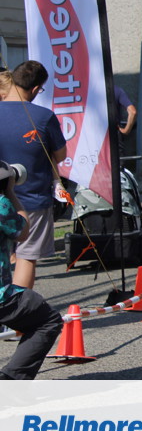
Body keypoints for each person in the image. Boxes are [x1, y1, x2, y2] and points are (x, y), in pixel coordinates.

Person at [0, 62, 67, 291]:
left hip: (0, 199)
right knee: (26, 257)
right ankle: (18, 310)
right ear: (36, 88)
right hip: (32, 199)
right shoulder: (44, 117)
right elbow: (60, 155)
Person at [0, 168, 63, 379]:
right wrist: (11, 193)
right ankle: (12, 381)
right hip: (2, 297)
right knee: (47, 320)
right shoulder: (2, 204)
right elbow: (23, 231)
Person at [113, 85, 137, 156]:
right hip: (114, 133)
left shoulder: (90, 92)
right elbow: (133, 112)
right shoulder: (117, 90)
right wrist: (126, 130)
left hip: (95, 135)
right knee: (118, 161)